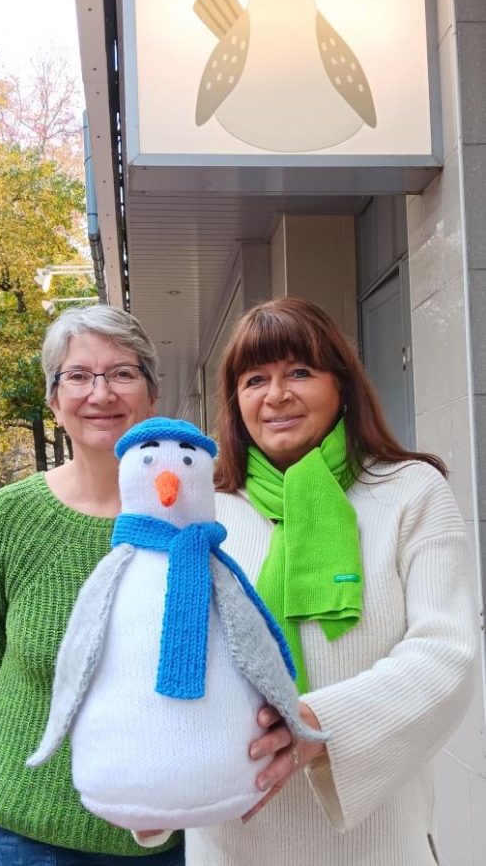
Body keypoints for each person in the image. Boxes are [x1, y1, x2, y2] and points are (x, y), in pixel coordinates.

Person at [185, 297, 476, 866]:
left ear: (342, 385)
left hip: (375, 841)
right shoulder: (204, 511)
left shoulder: (410, 492)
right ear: (234, 401)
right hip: (231, 839)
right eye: (254, 379)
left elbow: (448, 652)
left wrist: (318, 724)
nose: (276, 395)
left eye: (299, 371)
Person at [0, 304, 184, 866]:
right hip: (26, 830)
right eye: (79, 375)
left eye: (122, 373)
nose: (100, 393)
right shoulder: (11, 518)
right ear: (53, 400)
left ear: (152, 394)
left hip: (171, 829)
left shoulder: (195, 516)